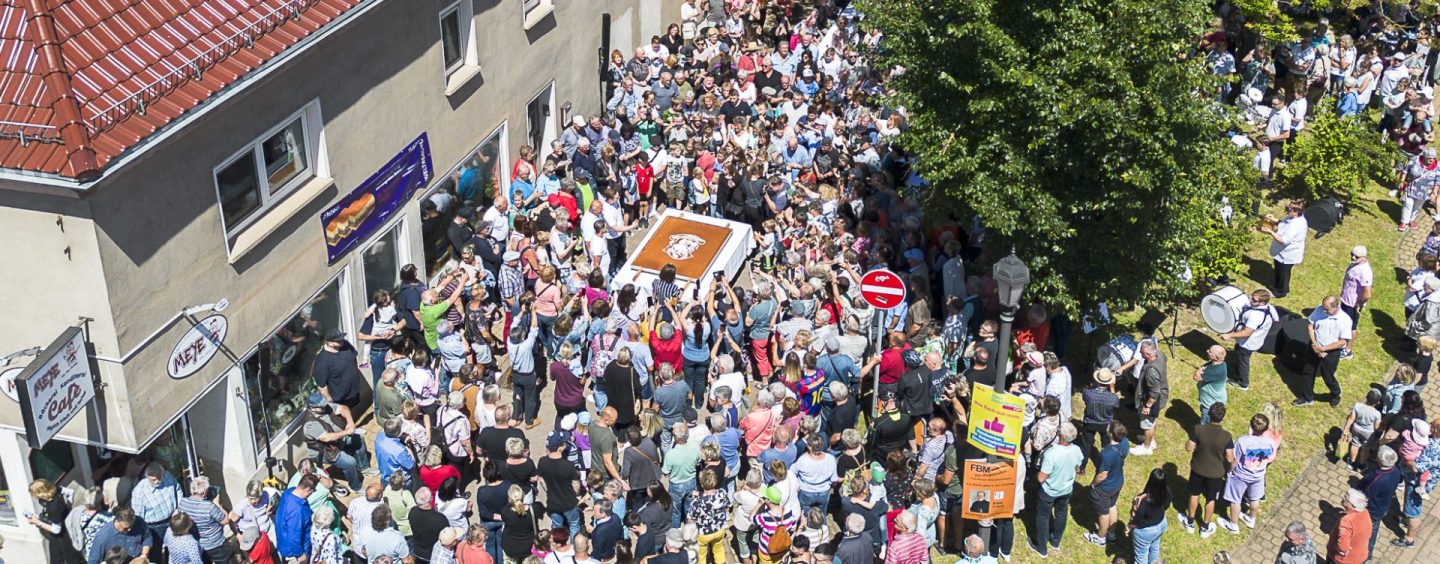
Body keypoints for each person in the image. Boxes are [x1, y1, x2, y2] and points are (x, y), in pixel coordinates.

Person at [1180, 403, 1232, 538]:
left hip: (1198, 469)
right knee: (1210, 499)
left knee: (1194, 494)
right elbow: (1230, 457)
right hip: (1216, 474)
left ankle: (1190, 522)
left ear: (1209, 414)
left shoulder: (1198, 429)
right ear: (1223, 418)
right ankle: (1205, 527)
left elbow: (1188, 448)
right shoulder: (1226, 436)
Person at [1219, 413, 1276, 534]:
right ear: (1266, 428)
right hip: (1259, 475)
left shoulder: (1243, 441)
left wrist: (1229, 471)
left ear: (1251, 426)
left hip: (1240, 475)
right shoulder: (1270, 442)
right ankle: (1251, 519)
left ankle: (1233, 525)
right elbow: (1270, 457)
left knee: (1235, 500)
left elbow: (1235, 460)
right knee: (1255, 498)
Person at [1031, 422, 1082, 558]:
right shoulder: (1077, 450)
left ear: (1061, 436)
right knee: (1061, 513)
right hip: (1066, 489)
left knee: (1043, 517)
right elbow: (1077, 468)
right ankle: (1055, 542)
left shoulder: (1051, 453)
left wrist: (1035, 474)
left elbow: (1041, 478)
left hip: (1049, 491)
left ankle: (1041, 548)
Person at [302, 392, 369, 489]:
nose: (325, 408)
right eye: (321, 407)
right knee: (350, 463)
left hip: (338, 440)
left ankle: (364, 468)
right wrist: (346, 432)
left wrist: (350, 422)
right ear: (312, 408)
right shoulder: (310, 424)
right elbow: (327, 438)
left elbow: (343, 408)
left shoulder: (324, 406)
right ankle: (356, 487)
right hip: (326, 450)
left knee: (359, 439)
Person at [1295, 295, 1352, 407]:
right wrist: (1315, 345)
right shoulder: (1319, 310)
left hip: (1331, 352)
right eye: (1323, 307)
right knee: (1308, 371)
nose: (1324, 311)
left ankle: (1336, 394)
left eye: (1327, 309)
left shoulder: (1345, 320)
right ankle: (1308, 397)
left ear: (1336, 307)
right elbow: (1310, 327)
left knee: (1328, 376)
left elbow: (1342, 342)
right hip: (1314, 346)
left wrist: (1323, 349)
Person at [1219, 288, 1276, 391]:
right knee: (1240, 355)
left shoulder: (1255, 316)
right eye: (1251, 298)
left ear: (1262, 302)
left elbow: (1247, 332)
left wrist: (1230, 335)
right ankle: (1237, 368)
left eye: (1254, 300)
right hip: (1257, 340)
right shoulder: (1270, 308)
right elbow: (1276, 319)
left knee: (1243, 360)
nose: (1250, 301)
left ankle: (1243, 383)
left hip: (1247, 343)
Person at [1084, 421, 1128, 547]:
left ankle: (1100, 537)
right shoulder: (1124, 442)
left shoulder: (1106, 453)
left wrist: (1093, 484)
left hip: (1105, 487)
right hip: (1118, 481)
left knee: (1103, 513)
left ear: (1111, 434)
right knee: (1112, 505)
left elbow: (1102, 475)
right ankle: (1112, 534)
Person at [176, 475, 231, 564]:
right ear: (205, 492)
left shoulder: (183, 503)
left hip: (199, 545)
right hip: (216, 545)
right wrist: (216, 503)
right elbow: (225, 520)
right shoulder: (209, 507)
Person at [1359, 446, 1403, 556]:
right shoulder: (1396, 470)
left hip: (1372, 510)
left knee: (1370, 530)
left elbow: (1366, 496)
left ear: (1379, 459)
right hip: (1384, 505)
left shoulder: (1378, 480)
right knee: (1374, 528)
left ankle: (1366, 553)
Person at [29, 478, 82, 564]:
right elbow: (70, 492)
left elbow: (56, 530)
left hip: (64, 535)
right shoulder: (54, 490)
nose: (34, 497)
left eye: (34, 494)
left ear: (41, 493)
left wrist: (37, 522)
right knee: (55, 558)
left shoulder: (54, 507)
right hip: (57, 532)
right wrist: (68, 507)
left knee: (72, 558)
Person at [1262, 200, 1307, 298]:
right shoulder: (1292, 217)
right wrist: (1274, 219)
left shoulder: (1297, 225)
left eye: (1289, 209)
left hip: (1288, 254)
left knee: (1283, 273)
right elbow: (1284, 223)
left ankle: (1280, 292)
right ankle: (1280, 286)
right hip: (1281, 252)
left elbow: (1283, 240)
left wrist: (1270, 232)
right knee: (1279, 270)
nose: (1287, 210)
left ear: (1296, 212)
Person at [1078, 368, 1120, 472]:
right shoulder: (1113, 398)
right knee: (1106, 446)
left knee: (1086, 445)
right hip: (1106, 424)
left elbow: (1085, 398)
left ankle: (1082, 467)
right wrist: (1113, 388)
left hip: (1090, 422)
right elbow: (1116, 405)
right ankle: (1104, 467)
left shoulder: (1088, 393)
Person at [1130, 341, 1167, 456]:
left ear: (1149, 354)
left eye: (1142, 352)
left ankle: (1146, 447)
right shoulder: (1160, 355)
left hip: (1152, 401)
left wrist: (1147, 406)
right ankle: (1152, 441)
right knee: (1152, 421)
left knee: (1147, 424)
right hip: (1161, 395)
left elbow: (1154, 392)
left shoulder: (1151, 371)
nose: (1140, 354)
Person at [314, 330, 364, 411]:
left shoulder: (346, 344)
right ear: (329, 343)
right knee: (343, 417)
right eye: (338, 340)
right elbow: (322, 386)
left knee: (353, 410)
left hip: (354, 390)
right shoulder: (322, 362)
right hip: (340, 398)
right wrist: (329, 400)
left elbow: (354, 356)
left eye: (342, 338)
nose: (342, 341)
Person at [1129, 468, 1170, 564]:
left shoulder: (1143, 500)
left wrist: (1130, 526)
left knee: (1141, 557)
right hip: (1161, 524)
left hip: (1146, 531)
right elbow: (1167, 505)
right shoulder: (1167, 492)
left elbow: (1137, 519)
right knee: (1155, 548)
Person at [1339, 245, 1373, 358]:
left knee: (1351, 327)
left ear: (1364, 257)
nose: (1353, 257)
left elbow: (1367, 294)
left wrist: (1359, 304)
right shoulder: (1355, 264)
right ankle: (1341, 341)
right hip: (1346, 299)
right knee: (1343, 323)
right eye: (1352, 254)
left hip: (1353, 304)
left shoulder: (1365, 271)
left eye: (1356, 256)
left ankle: (1347, 350)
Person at [275, 474, 317, 562]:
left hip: (283, 543)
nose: (311, 494)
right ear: (308, 489)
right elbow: (293, 537)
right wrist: (300, 555)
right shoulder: (297, 511)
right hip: (294, 553)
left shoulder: (289, 491)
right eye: (313, 491)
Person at [1328, 489, 1373, 564]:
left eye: (1346, 498)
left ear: (1352, 505)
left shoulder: (1346, 521)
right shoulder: (1365, 512)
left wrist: (1336, 547)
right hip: (1360, 555)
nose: (1343, 498)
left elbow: (1342, 547)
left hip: (1343, 560)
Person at [1196, 345, 1228, 424]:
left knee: (1205, 424)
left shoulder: (1215, 371)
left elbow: (1196, 377)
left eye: (1210, 351)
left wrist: (1199, 370)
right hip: (1209, 400)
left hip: (1210, 405)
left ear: (1216, 357)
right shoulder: (1220, 363)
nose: (1207, 351)